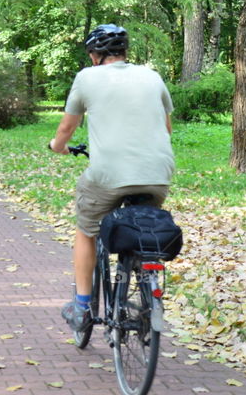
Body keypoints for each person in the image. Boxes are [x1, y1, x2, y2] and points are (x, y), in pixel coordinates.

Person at [48, 24, 175, 330]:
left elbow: (66, 129)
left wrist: (57, 147)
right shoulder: (152, 76)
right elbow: (167, 128)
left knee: (86, 230)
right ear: (124, 53)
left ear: (95, 55)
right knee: (144, 226)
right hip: (157, 172)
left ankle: (81, 307)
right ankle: (145, 282)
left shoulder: (86, 77)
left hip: (108, 174)